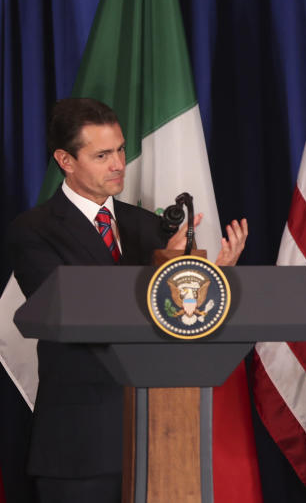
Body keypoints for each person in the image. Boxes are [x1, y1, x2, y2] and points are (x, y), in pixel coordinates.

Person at [6, 98, 248, 503]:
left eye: (120, 149)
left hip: (164, 438)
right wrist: (164, 269)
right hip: (79, 445)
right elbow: (79, 308)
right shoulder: (33, 231)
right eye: (102, 155)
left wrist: (209, 279)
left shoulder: (148, 226)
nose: (119, 163)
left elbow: (177, 321)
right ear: (65, 160)